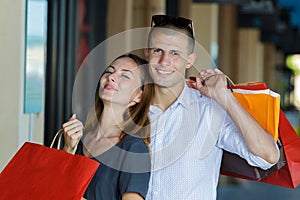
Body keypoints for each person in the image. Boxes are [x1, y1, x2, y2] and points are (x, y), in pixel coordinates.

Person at [143, 15, 280, 200]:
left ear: (190, 59)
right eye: (157, 50)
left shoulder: (208, 111)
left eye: (175, 53)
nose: (164, 61)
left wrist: (224, 97)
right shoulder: (129, 106)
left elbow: (268, 156)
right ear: (146, 52)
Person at [61, 54, 154, 200]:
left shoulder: (134, 149)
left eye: (125, 76)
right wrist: (68, 150)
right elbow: (56, 188)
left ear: (138, 97)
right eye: (109, 71)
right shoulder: (78, 139)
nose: (111, 77)